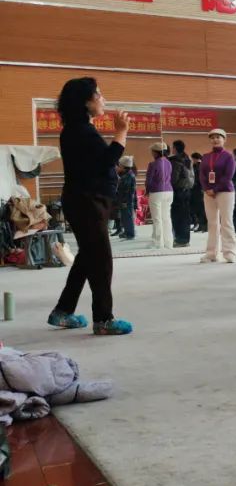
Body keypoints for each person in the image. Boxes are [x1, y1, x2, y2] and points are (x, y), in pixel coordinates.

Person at [47, 77, 133, 335]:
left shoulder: (79, 129)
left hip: (87, 201)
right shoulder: (80, 131)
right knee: (101, 260)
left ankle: (62, 311)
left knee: (87, 257)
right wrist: (121, 131)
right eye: (99, 94)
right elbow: (108, 159)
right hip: (87, 203)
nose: (103, 99)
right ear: (86, 101)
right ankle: (103, 320)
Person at [199, 129, 236, 263]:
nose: (215, 140)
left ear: (224, 139)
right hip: (208, 193)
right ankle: (211, 254)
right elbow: (202, 175)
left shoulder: (229, 156)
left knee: (226, 222)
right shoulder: (205, 156)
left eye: (218, 137)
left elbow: (228, 176)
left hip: (225, 191)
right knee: (212, 223)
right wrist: (207, 188)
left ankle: (230, 253)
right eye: (212, 137)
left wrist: (215, 189)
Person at [145, 142, 174, 249]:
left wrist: (147, 191)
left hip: (156, 192)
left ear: (156, 152)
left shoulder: (153, 164)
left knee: (157, 218)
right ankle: (168, 242)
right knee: (166, 218)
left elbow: (149, 180)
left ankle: (158, 242)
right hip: (169, 191)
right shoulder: (169, 163)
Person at [168, 140, 194, 247]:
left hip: (178, 191)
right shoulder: (187, 159)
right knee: (185, 216)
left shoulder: (175, 161)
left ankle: (180, 240)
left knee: (177, 217)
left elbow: (174, 179)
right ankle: (185, 239)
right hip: (187, 190)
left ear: (175, 148)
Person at [115, 157, 137, 240]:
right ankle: (127, 231)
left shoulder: (129, 176)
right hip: (124, 200)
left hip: (127, 200)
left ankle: (130, 234)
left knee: (128, 217)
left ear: (124, 167)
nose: (118, 167)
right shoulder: (126, 175)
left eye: (120, 165)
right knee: (124, 217)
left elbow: (126, 190)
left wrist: (124, 201)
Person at [189, 151, 207, 232]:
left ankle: (203, 226)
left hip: (198, 189)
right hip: (197, 189)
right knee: (198, 209)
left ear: (195, 158)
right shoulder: (197, 166)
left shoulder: (199, 166)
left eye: (192, 159)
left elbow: (198, 178)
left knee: (200, 209)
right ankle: (201, 225)